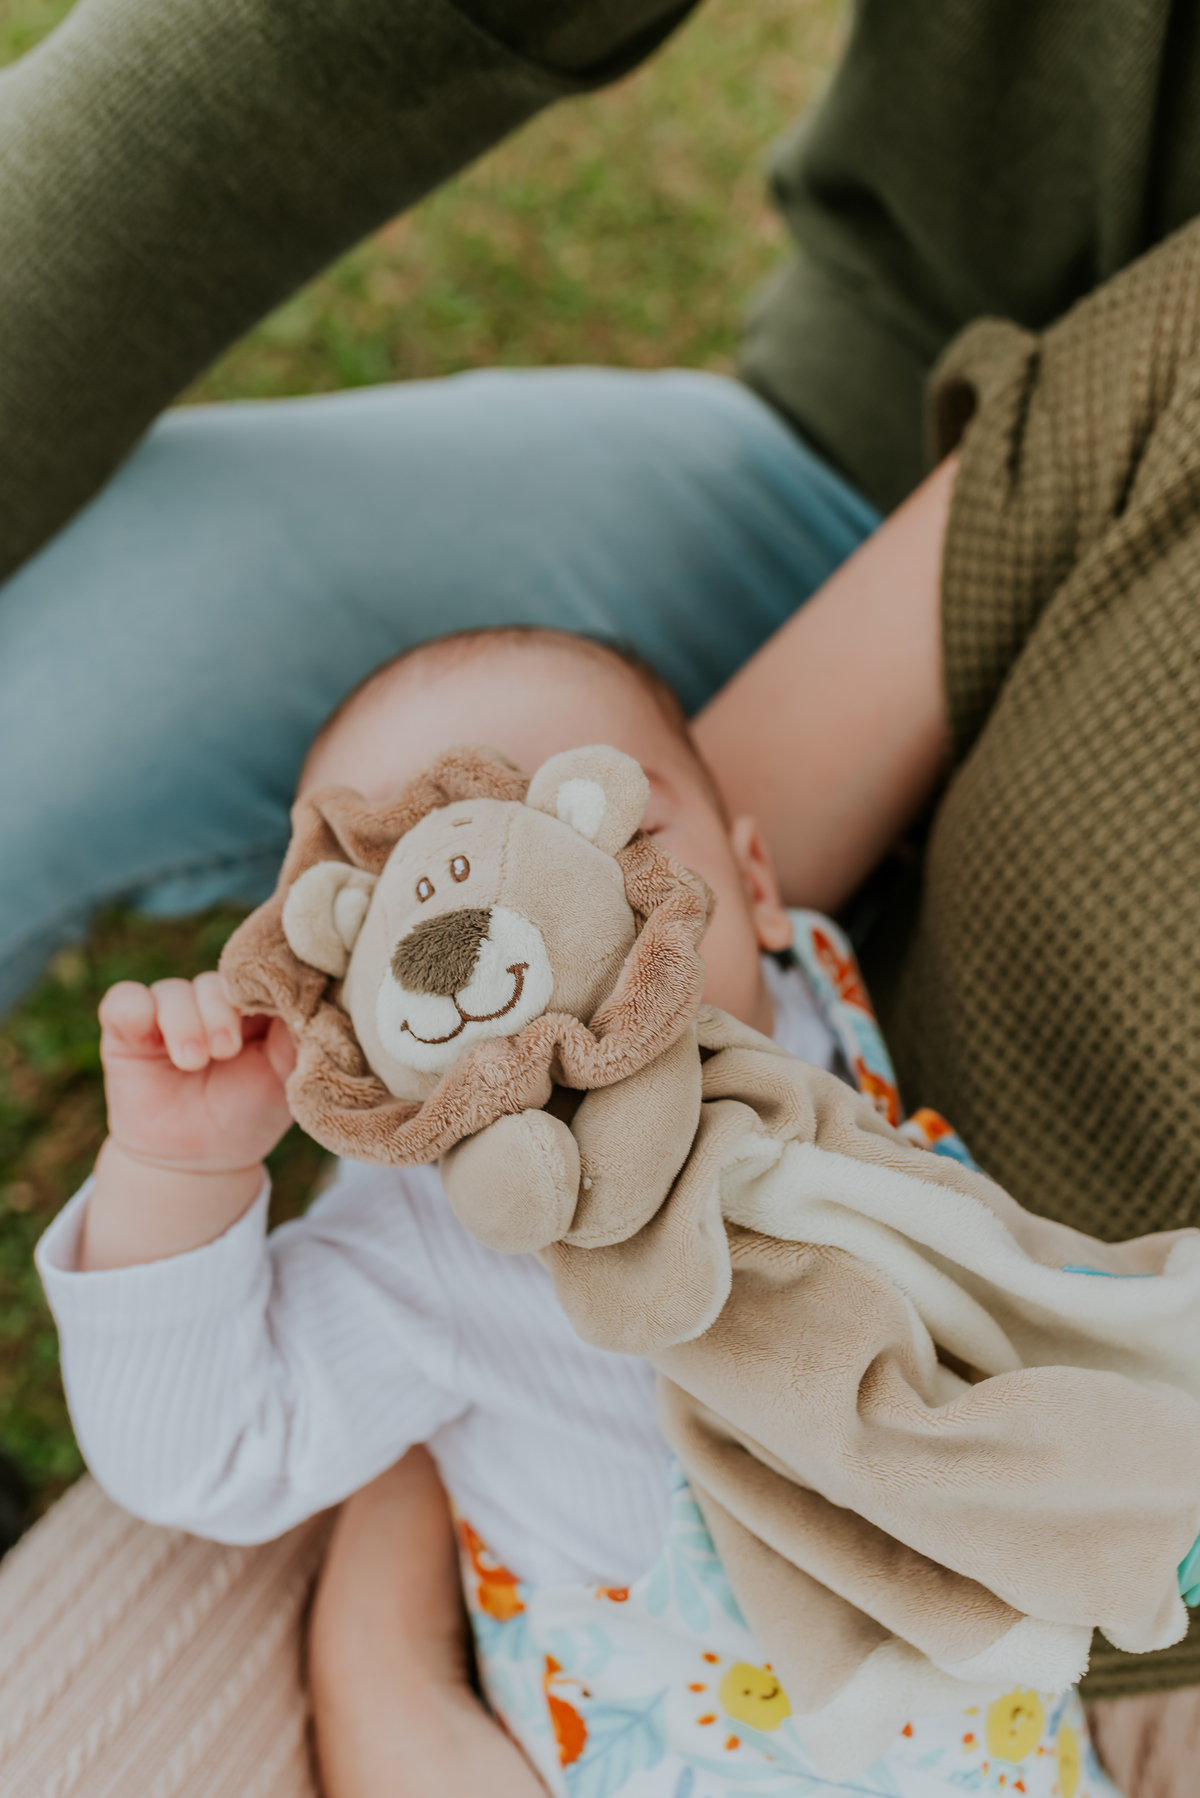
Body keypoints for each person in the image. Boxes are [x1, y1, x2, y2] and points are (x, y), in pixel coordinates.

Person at [32, 626, 1149, 1798]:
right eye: (407, 895)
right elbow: (201, 1453)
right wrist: (181, 1170)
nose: (499, 936)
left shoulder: (831, 1039)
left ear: (758, 887)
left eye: (605, 829)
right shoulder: (423, 1244)